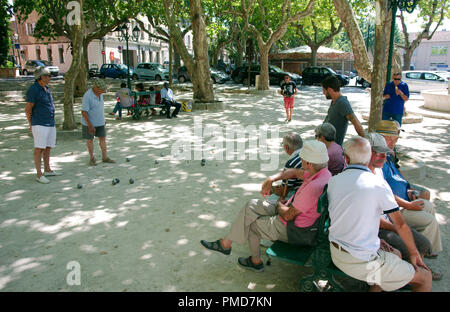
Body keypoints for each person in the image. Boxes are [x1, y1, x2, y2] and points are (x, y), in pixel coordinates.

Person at [200, 141, 331, 272]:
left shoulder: (313, 187)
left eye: (302, 159)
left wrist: (280, 203)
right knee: (251, 205)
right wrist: (271, 179)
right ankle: (226, 243)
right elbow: (294, 172)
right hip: (298, 215)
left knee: (252, 224)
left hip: (295, 230)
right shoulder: (323, 173)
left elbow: (287, 215)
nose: (300, 161)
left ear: (308, 163)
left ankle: (255, 261)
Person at [328, 136, 431, 292]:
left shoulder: (334, 181)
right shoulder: (377, 184)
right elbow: (401, 225)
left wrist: (374, 240)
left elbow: (350, 216)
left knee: (395, 253)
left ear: (347, 159)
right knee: (425, 277)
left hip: (338, 252)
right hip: (360, 260)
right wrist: (413, 253)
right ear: (369, 156)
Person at [366, 132, 442, 281]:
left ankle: (418, 267)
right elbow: (371, 219)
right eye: (379, 153)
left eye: (384, 153)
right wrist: (397, 227)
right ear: (368, 153)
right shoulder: (363, 179)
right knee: (407, 247)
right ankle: (416, 274)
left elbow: (389, 195)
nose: (383, 157)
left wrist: (405, 207)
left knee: (423, 243)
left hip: (388, 219)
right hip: (378, 228)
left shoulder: (379, 170)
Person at [375, 120, 442, 257]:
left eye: (395, 139)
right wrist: (408, 205)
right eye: (388, 139)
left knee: (428, 206)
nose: (392, 142)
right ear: (380, 138)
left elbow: (398, 173)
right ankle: (421, 254)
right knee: (429, 220)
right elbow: (384, 194)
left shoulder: (389, 153)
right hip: (395, 207)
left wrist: (408, 188)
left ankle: (426, 250)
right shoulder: (377, 159)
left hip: (404, 200)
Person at [25, 66, 61, 184]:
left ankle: (47, 169)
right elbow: (28, 109)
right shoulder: (34, 89)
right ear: (41, 77)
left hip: (50, 122)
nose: (50, 77)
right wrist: (31, 123)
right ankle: (39, 174)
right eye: (48, 75)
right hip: (39, 123)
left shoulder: (46, 88)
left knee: (48, 147)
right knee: (39, 148)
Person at [321, 75, 365, 145]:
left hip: (333, 147)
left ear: (329, 90)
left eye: (324, 90)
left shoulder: (342, 103)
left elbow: (355, 122)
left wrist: (365, 143)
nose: (323, 93)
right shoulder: (334, 101)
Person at [81, 79, 115, 166]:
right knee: (90, 140)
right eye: (101, 90)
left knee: (103, 139)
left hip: (100, 121)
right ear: (95, 87)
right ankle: (92, 158)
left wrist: (104, 120)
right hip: (89, 122)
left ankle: (105, 157)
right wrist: (90, 125)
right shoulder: (87, 96)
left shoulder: (100, 94)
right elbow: (84, 112)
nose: (102, 92)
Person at [266, 133, 303, 201]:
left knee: (271, 198)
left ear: (286, 147)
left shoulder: (291, 163)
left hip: (299, 194)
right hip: (311, 189)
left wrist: (272, 190)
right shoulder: (308, 154)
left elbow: (285, 190)